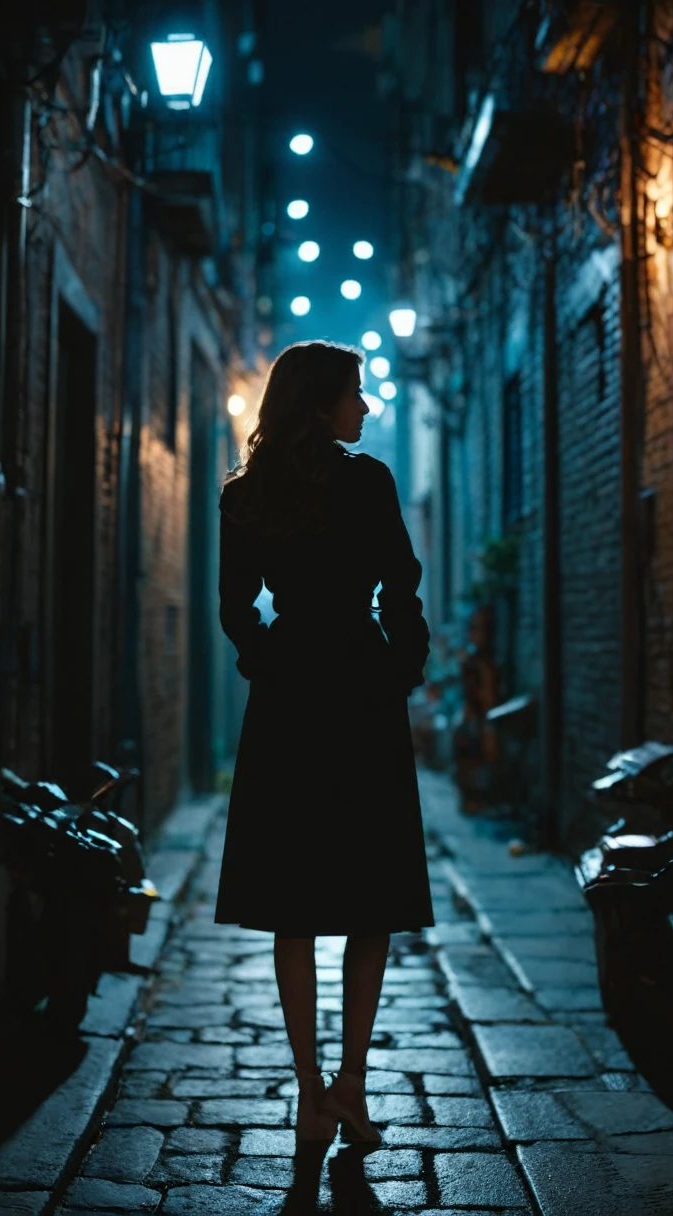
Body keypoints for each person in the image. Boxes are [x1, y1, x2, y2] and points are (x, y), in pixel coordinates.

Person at [215, 340, 434, 1144]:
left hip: (288, 702)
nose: (366, 406)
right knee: (368, 897)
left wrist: (270, 661)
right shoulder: (368, 482)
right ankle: (350, 1083)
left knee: (294, 902)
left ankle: (314, 1091)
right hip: (362, 692)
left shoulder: (245, 495)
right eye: (356, 392)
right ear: (319, 403)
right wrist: (400, 668)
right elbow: (402, 587)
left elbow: (236, 607)